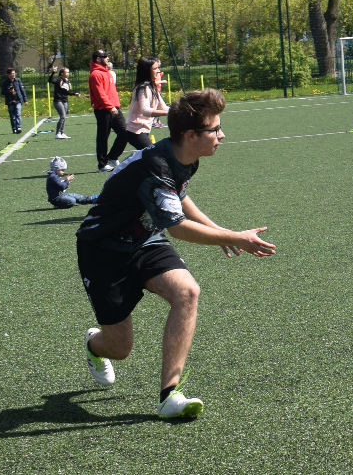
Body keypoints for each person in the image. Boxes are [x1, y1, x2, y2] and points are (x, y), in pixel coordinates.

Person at [76, 88, 276, 419]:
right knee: (120, 347)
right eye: (215, 129)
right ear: (189, 134)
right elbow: (178, 228)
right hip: (103, 251)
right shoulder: (155, 166)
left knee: (187, 292)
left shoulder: (186, 158)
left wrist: (220, 231)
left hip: (145, 241)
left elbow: (178, 198)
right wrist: (233, 238)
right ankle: (94, 344)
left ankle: (169, 395)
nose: (221, 135)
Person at [88, 49, 127, 172]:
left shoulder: (107, 73)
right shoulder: (95, 74)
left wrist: (114, 105)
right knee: (103, 137)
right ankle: (102, 164)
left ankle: (113, 156)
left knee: (125, 132)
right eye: (105, 57)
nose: (107, 58)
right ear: (98, 59)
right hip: (104, 110)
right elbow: (100, 94)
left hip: (114, 108)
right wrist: (110, 107)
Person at [125, 56, 169, 150]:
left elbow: (163, 107)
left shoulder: (153, 87)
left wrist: (181, 108)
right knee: (153, 156)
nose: (159, 71)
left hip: (143, 130)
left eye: (158, 68)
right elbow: (145, 111)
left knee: (146, 158)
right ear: (146, 71)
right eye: (155, 68)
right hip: (135, 131)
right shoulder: (143, 88)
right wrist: (170, 112)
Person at [49, 66, 81, 139]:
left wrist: (74, 94)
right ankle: (57, 134)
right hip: (58, 101)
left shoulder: (67, 81)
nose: (68, 73)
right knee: (62, 116)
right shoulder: (58, 79)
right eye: (67, 72)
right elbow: (50, 81)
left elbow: (66, 92)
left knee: (64, 117)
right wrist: (53, 72)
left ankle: (62, 132)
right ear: (62, 73)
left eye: (68, 72)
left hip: (64, 101)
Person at [1, 68, 28, 134]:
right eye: (12, 74)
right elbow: (2, 92)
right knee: (12, 116)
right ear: (8, 74)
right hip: (10, 101)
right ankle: (14, 128)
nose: (13, 75)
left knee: (18, 114)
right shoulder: (5, 82)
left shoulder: (18, 80)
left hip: (18, 100)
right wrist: (9, 91)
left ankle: (18, 127)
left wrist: (25, 100)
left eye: (14, 73)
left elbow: (22, 90)